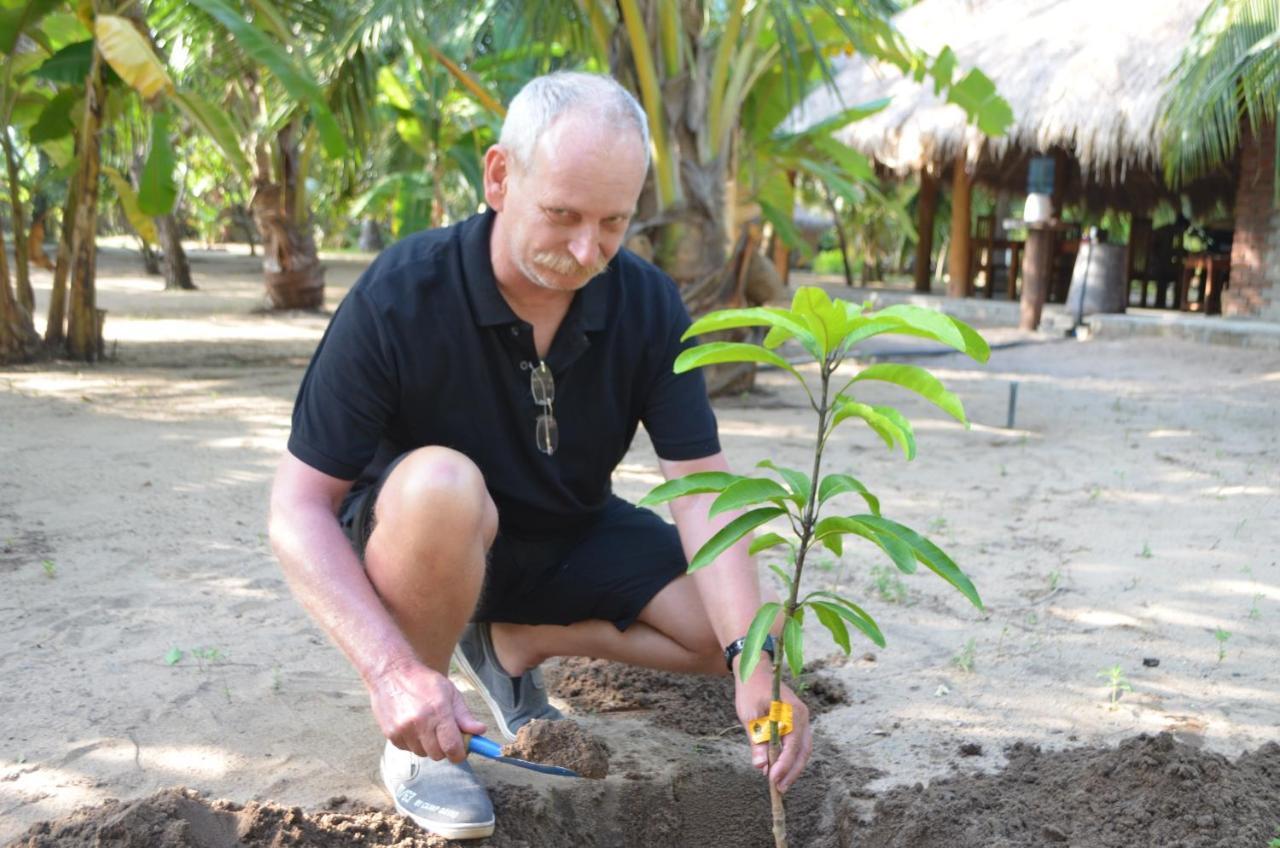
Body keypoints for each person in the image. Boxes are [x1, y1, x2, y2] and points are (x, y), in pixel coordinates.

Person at [268, 70, 812, 841]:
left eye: (614, 222)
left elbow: (701, 492)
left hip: (568, 535)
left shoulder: (648, 304)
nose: (586, 250)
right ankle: (425, 747)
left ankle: (511, 643)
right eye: (561, 215)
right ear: (499, 176)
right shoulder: (402, 295)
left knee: (742, 625)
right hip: (424, 539)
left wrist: (756, 664)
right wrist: (391, 672)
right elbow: (296, 508)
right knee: (442, 485)